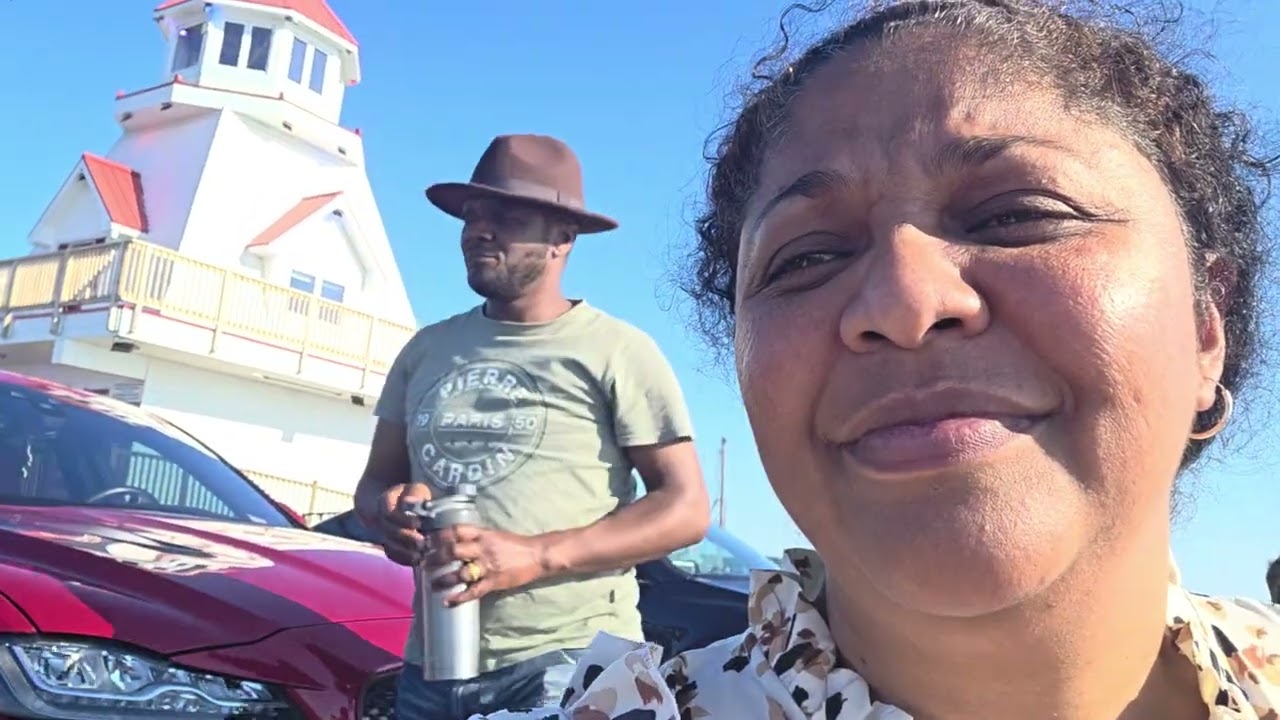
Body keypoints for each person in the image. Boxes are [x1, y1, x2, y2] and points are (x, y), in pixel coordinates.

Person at [470, 1, 1280, 719]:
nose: (902, 302)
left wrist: (538, 555)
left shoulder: (611, 351)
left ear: (1207, 324)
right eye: (807, 258)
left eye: (1018, 213)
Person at [353, 133, 709, 719]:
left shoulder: (615, 350)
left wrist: (535, 556)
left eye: (507, 215)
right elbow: (374, 486)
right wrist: (389, 511)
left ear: (562, 239)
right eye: (472, 215)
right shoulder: (425, 351)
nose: (479, 230)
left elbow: (686, 507)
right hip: (432, 665)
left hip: (569, 661)